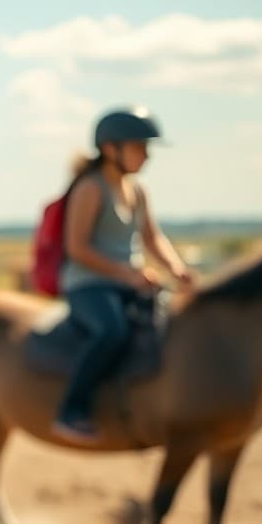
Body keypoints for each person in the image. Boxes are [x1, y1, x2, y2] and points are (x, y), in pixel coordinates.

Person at [52, 107, 195, 443]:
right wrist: (127, 274)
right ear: (110, 148)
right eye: (139, 147)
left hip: (128, 281)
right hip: (88, 284)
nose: (146, 155)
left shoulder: (138, 191)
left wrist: (176, 268)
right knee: (111, 331)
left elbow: (152, 237)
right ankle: (71, 410)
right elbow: (77, 248)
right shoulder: (90, 188)